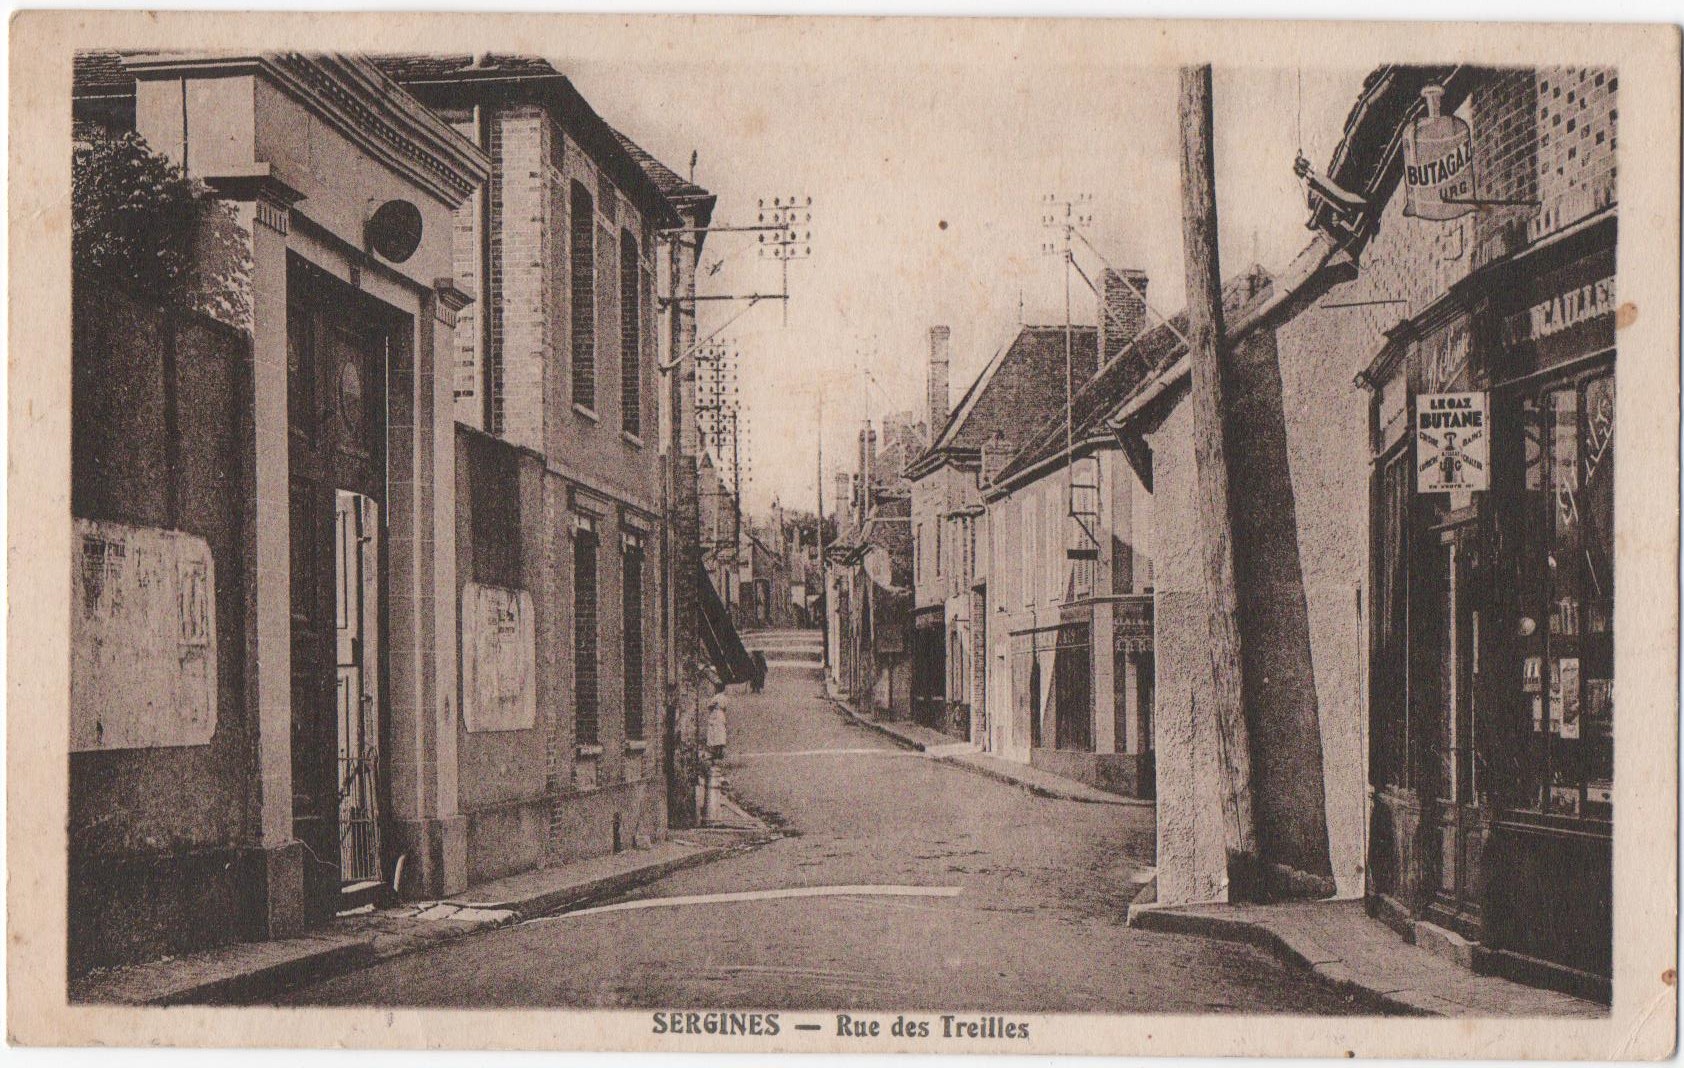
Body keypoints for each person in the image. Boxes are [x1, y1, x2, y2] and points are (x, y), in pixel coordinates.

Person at [705, 687, 729, 763]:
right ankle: (720, 752)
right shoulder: (724, 697)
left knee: (715, 732)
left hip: (716, 715)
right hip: (722, 715)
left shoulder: (716, 697)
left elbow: (709, 705)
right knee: (721, 732)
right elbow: (725, 707)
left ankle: (715, 752)